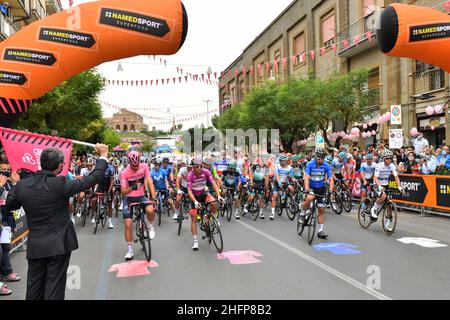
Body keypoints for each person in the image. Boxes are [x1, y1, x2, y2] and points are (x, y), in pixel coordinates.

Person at [6, 144, 110, 300]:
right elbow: (94, 178)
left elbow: (10, 205)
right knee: (54, 288)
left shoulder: (22, 185)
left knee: (34, 289)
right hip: (58, 245)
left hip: (36, 246)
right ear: (61, 166)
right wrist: (103, 155)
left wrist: (14, 185)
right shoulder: (60, 184)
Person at [121, 151, 157, 261]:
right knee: (128, 223)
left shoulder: (144, 166)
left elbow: (149, 181)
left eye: (137, 164)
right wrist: (132, 188)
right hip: (128, 198)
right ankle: (130, 250)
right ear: (129, 163)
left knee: (151, 210)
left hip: (141, 196)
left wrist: (153, 195)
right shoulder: (125, 172)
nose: (136, 167)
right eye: (133, 165)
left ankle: (149, 227)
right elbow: (123, 192)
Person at [187, 157, 223, 251]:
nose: (199, 168)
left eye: (201, 166)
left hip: (203, 194)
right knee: (194, 217)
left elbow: (213, 183)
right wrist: (195, 201)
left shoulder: (206, 172)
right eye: (197, 166)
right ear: (193, 167)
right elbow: (189, 190)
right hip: (194, 197)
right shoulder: (190, 175)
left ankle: (211, 217)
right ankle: (195, 240)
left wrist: (218, 195)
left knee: (214, 203)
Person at [299, 149, 334, 239]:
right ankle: (303, 211)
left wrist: (330, 190)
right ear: (315, 157)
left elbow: (331, 179)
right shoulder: (310, 164)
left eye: (322, 159)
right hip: (311, 186)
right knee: (310, 198)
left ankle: (320, 231)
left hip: (321, 188)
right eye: (318, 158)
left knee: (321, 210)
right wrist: (306, 189)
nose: (320, 160)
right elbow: (306, 177)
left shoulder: (326, 165)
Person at [371, 149, 404, 231]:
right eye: (387, 158)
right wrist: (379, 186)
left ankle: (387, 224)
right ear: (383, 159)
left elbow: (396, 177)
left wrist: (399, 187)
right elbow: (375, 178)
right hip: (377, 183)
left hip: (386, 184)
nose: (389, 160)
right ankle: (374, 208)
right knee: (383, 196)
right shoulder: (379, 165)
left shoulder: (392, 166)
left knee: (389, 204)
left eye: (390, 158)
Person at [270, 155, 295, 220]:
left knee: (292, 188)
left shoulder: (290, 168)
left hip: (285, 182)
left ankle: (288, 198)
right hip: (277, 182)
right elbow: (277, 176)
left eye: (285, 161)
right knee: (275, 196)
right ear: (280, 161)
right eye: (283, 161)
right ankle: (272, 213)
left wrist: (295, 180)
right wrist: (279, 182)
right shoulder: (277, 167)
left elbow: (292, 177)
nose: (285, 162)